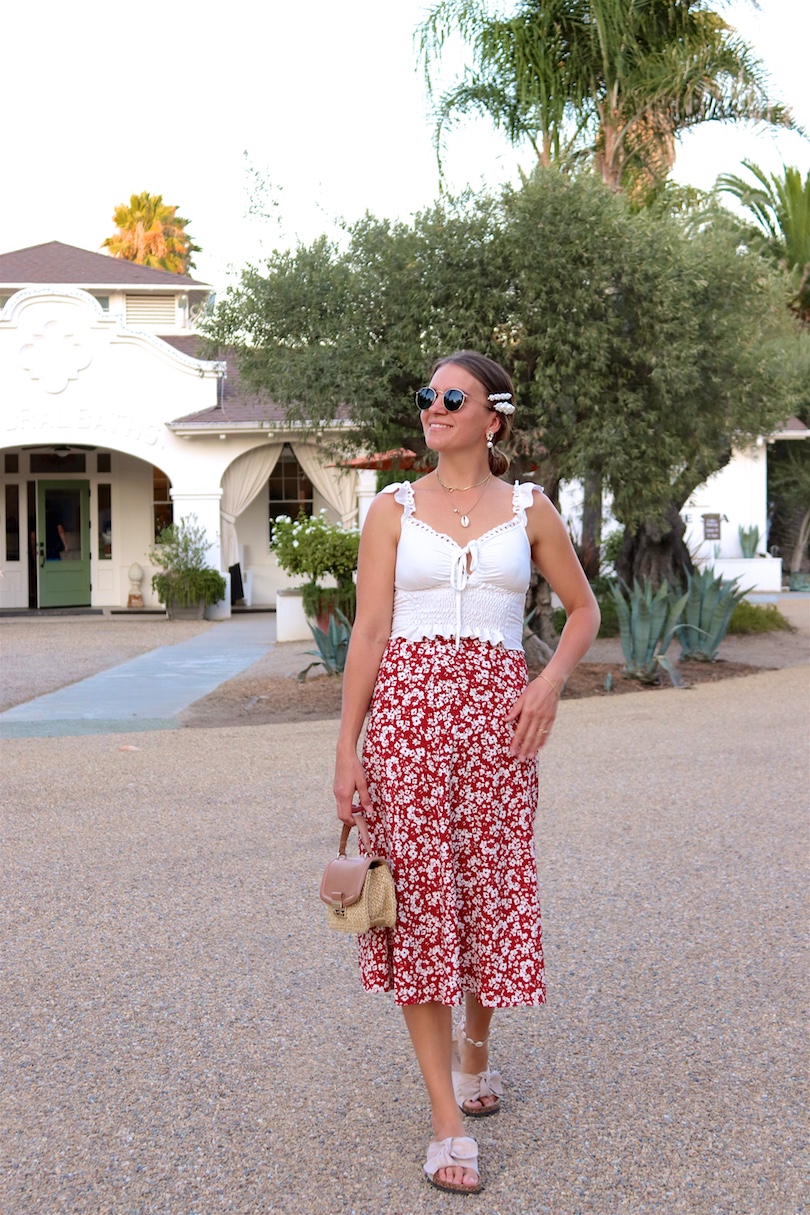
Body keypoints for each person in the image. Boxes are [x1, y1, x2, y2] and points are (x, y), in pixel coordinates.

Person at [333, 350, 600, 1194]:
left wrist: (548, 683)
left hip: (499, 727)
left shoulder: (528, 508)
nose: (434, 407)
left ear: (494, 418)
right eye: (426, 395)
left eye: (453, 397)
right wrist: (348, 745)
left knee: (488, 892)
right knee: (417, 907)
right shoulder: (390, 509)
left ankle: (478, 1049)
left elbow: (585, 609)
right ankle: (448, 1123)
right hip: (405, 727)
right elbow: (369, 633)